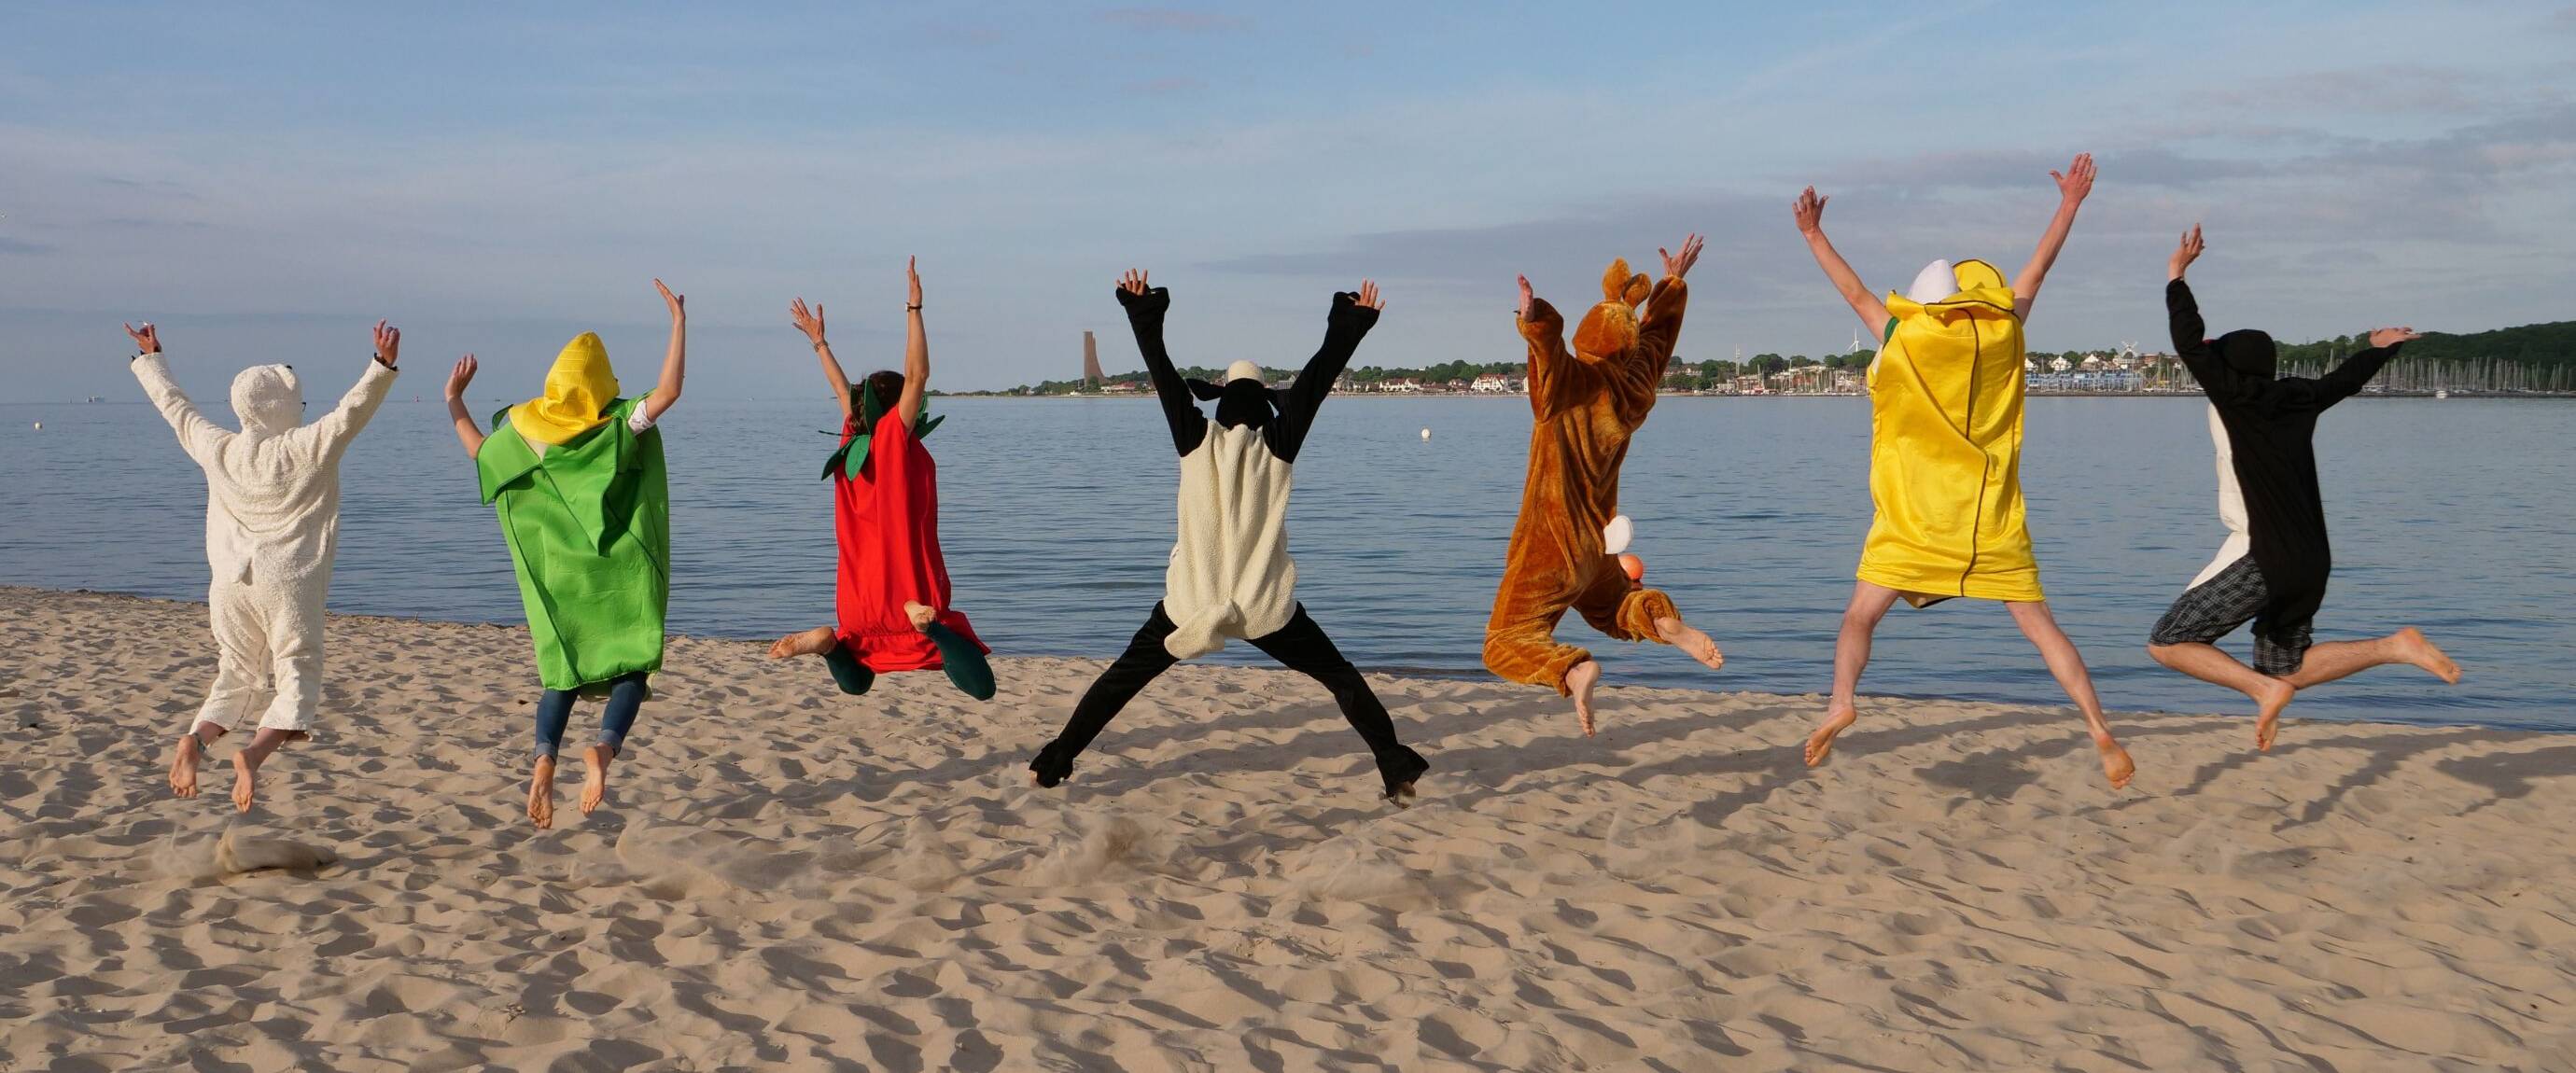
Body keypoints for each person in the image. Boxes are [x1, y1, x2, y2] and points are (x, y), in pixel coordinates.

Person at [1791, 154, 2135, 789]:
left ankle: (1841, 701)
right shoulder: (2003, 333)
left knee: (1858, 619)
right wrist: (2069, 205)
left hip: (1913, 520)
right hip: (1989, 519)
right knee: (2041, 629)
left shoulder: (1901, 338)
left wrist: (1814, 234)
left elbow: (1855, 292)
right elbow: (2037, 271)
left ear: (1920, 307)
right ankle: (2098, 728)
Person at [1028, 270, 1430, 802]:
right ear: (1265, 403)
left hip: (1194, 599)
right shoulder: (1279, 443)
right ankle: (1395, 765)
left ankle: (1055, 760)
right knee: (1340, 676)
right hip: (1262, 605)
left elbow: (1163, 374)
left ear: (1220, 403)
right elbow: (1317, 378)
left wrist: (1141, 314)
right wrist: (1351, 326)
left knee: (1122, 679)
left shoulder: (1196, 439)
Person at [2147, 225, 2459, 749]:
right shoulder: (2299, 397)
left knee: (2169, 641)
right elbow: (2345, 379)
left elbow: (2187, 340)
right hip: (2311, 558)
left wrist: (2177, 274)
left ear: (2229, 369)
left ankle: (2259, 692)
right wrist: (2381, 349)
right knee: (2287, 665)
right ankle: (2395, 647)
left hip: (2261, 554)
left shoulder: (2235, 399)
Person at [443, 280, 686, 829]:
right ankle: (603, 749)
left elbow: (477, 450)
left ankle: (545, 757)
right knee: (635, 665)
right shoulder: (617, 425)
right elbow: (668, 391)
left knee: (562, 674)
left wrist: (454, 398)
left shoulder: (520, 434)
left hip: (558, 579)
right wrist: (677, 323)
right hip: (616, 574)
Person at [133, 319, 401, 812]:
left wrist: (153, 360)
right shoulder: (305, 448)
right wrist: (380, 366)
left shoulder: (220, 447)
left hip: (230, 582)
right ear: (284, 407)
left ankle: (196, 740)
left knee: (235, 671)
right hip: (287, 582)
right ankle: (253, 756)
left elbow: (176, 409)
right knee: (298, 668)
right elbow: (351, 413)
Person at [1482, 236, 1727, 734]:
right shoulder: (1631, 389)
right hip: (1599, 547)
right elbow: (1655, 344)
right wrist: (1672, 285)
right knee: (1616, 609)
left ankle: (1571, 670)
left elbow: (1546, 355)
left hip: (1551, 547)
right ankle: (1663, 622)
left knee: (1504, 640)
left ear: (1586, 340)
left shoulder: (1566, 385)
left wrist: (1534, 319)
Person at [767, 258, 995, 700]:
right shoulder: (893, 436)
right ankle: (926, 624)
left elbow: (840, 390)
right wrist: (914, 309)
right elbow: (918, 375)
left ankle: (826, 642)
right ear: (897, 409)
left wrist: (819, 343)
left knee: (858, 682)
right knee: (980, 686)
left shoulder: (852, 438)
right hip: (908, 582)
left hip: (861, 592)